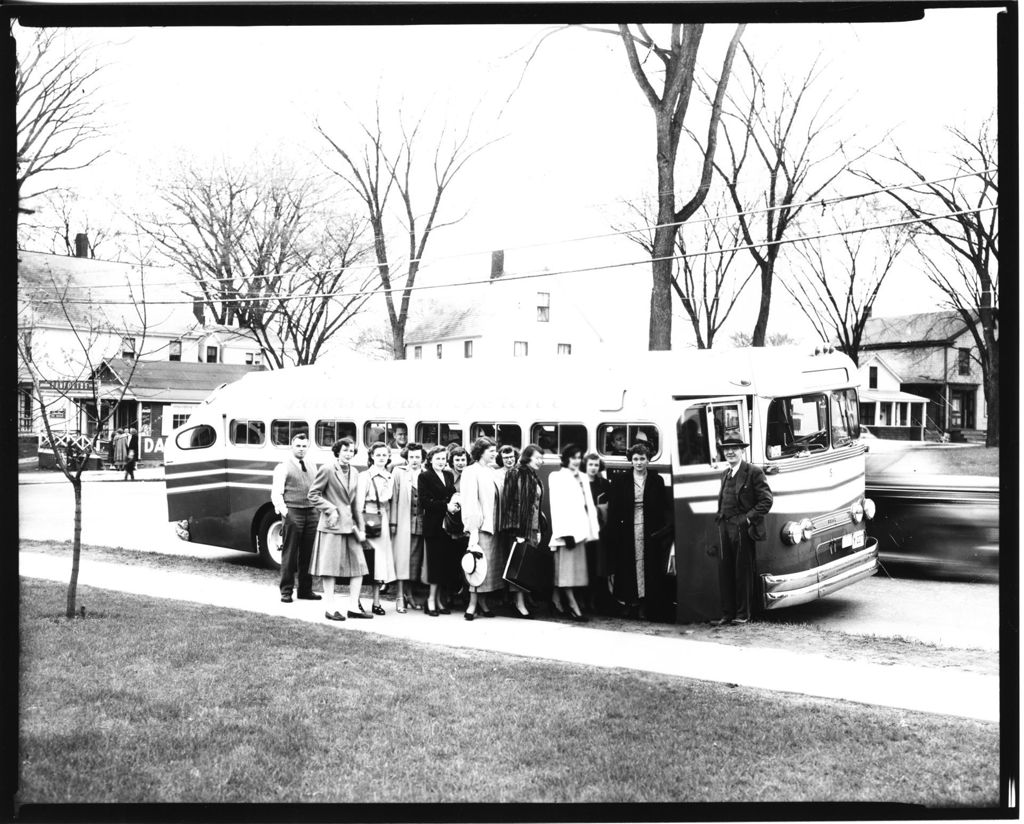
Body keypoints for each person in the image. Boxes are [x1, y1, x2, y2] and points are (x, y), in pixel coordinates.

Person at [307, 437, 371, 621]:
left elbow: (355, 503)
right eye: (345, 450)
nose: (348, 454)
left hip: (351, 526)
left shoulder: (355, 472)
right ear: (337, 451)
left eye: (351, 451)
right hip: (332, 526)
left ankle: (353, 607)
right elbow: (313, 495)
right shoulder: (327, 469)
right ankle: (330, 607)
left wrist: (361, 526)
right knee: (330, 568)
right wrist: (331, 509)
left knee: (359, 567)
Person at [713, 432, 773, 626]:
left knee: (742, 571)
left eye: (734, 449)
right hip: (724, 526)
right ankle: (727, 614)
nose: (730, 452)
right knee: (725, 570)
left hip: (742, 528)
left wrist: (746, 520)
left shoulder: (753, 472)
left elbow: (766, 501)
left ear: (742, 451)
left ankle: (742, 614)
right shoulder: (725, 473)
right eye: (726, 449)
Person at [608, 442, 670, 619]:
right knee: (628, 565)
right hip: (627, 528)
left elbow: (662, 506)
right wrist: (615, 529)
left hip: (649, 528)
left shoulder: (656, 480)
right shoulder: (622, 480)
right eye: (635, 459)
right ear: (631, 461)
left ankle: (645, 604)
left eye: (642, 458)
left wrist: (660, 529)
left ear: (648, 460)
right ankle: (629, 603)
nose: (639, 462)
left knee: (647, 566)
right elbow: (615, 507)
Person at [547, 444, 598, 621]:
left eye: (579, 457)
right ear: (566, 458)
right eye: (574, 457)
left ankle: (556, 601)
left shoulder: (582, 477)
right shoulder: (557, 477)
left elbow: (588, 505)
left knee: (574, 573)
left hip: (581, 532)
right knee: (566, 573)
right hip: (567, 533)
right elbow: (557, 506)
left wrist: (593, 530)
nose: (576, 461)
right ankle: (573, 607)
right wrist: (563, 532)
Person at [270, 432, 321, 604]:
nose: (301, 449)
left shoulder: (312, 465)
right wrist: (286, 513)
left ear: (308, 447)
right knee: (290, 554)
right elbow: (276, 494)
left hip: (311, 512)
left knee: (308, 554)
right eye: (298, 446)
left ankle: (305, 590)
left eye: (304, 446)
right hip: (293, 512)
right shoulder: (283, 466)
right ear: (292, 446)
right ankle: (286, 591)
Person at [498, 443, 545, 619]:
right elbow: (508, 503)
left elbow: (536, 506)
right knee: (519, 565)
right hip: (519, 528)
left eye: (542, 458)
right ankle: (518, 604)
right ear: (527, 457)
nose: (540, 461)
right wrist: (516, 530)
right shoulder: (515, 473)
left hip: (532, 527)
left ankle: (523, 600)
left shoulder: (533, 475)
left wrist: (538, 529)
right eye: (537, 458)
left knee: (527, 566)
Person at [459, 437, 503, 620]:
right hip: (481, 526)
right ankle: (472, 605)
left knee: (488, 569)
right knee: (477, 566)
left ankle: (483, 603)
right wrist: (474, 529)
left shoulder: (492, 471)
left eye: (495, 450)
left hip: (494, 526)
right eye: (490, 450)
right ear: (480, 452)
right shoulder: (471, 471)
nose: (494, 453)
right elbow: (470, 502)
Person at [418, 445, 461, 616]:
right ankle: (431, 601)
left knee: (444, 564)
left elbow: (451, 493)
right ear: (430, 460)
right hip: (434, 525)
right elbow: (425, 501)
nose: (441, 462)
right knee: (435, 565)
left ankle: (440, 601)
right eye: (438, 459)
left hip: (447, 526)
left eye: (443, 459)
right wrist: (446, 506)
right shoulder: (424, 476)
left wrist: (456, 501)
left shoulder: (448, 475)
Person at [357, 441, 398, 615]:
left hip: (382, 519)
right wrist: (359, 527)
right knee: (365, 561)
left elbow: (389, 501)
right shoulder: (365, 476)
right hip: (367, 518)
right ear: (372, 457)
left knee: (380, 563)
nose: (381, 458)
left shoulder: (390, 476)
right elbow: (358, 503)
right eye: (378, 455)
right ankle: (356, 599)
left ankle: (376, 601)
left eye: (384, 455)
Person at [389, 442, 426, 612]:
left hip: (420, 524)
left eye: (417, 457)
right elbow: (394, 498)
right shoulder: (398, 472)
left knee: (414, 562)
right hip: (403, 523)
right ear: (406, 458)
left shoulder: (426, 473)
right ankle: (400, 596)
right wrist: (393, 522)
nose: (414, 460)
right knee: (402, 560)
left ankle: (409, 594)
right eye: (411, 457)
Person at [583, 452, 613, 613]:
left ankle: (596, 599)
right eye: (590, 465)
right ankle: (585, 599)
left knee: (598, 565)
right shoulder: (579, 483)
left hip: (600, 529)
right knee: (585, 564)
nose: (593, 468)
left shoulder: (604, 483)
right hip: (584, 529)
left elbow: (610, 504)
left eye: (596, 465)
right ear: (585, 466)